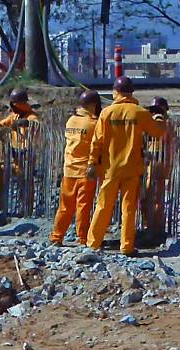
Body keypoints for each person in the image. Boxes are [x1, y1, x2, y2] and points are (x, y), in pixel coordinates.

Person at [85, 76, 166, 255]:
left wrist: (91, 163)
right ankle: (127, 246)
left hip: (110, 169)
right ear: (131, 92)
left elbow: (96, 142)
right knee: (129, 208)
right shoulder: (140, 112)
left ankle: (93, 243)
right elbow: (158, 132)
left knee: (103, 205)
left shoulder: (106, 113)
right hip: (132, 168)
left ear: (116, 92)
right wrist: (160, 118)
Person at [50, 90, 101, 246]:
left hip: (68, 170)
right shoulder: (94, 123)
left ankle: (57, 237)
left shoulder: (71, 121)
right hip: (85, 171)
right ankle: (83, 238)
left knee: (65, 207)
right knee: (83, 207)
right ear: (93, 105)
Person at [141, 96, 173, 244]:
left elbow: (160, 146)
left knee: (153, 198)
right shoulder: (160, 122)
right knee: (150, 198)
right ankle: (153, 227)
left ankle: (154, 229)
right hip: (155, 163)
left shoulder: (159, 122)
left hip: (157, 163)